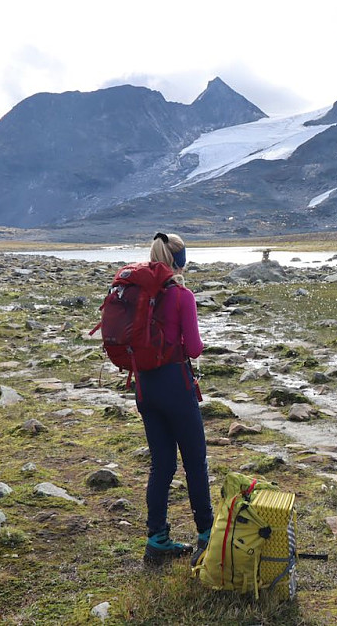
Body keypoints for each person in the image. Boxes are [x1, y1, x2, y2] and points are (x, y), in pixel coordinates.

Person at [138, 232, 213, 566]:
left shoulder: (140, 292)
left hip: (145, 387)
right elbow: (194, 349)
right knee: (195, 463)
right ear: (179, 261)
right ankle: (207, 537)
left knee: (162, 464)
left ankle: (157, 540)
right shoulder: (182, 296)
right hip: (175, 386)